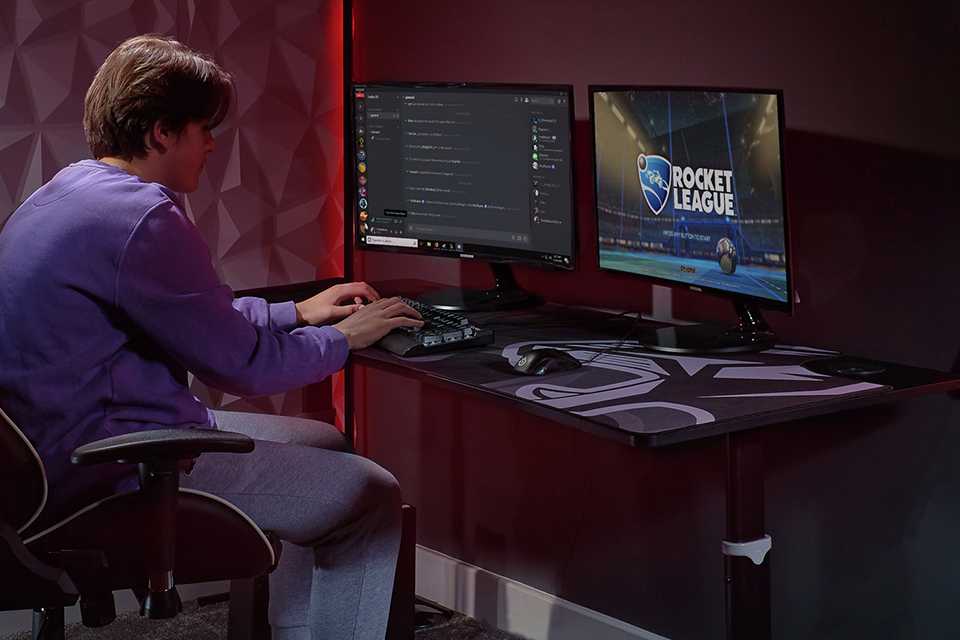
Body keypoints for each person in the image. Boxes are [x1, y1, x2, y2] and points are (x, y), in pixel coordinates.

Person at [0, 34, 422, 640]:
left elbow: (196, 317)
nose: (213, 144)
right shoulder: (141, 218)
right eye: (204, 128)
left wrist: (297, 312)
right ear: (161, 133)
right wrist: (345, 340)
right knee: (370, 495)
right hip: (111, 466)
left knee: (327, 443)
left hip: (54, 453)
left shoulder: (70, 192)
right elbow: (243, 367)